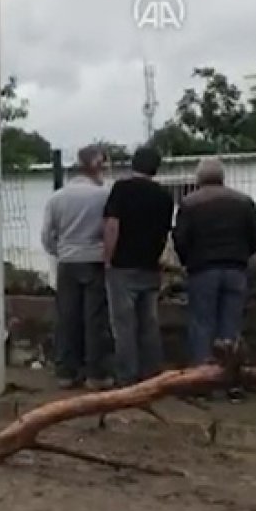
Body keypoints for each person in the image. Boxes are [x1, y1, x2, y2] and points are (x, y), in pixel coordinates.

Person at [172, 157, 256, 401]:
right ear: (222, 177)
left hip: (202, 270)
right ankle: (232, 383)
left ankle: (201, 383)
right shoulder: (242, 201)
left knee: (202, 325)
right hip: (235, 269)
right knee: (231, 326)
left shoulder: (190, 203)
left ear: (199, 178)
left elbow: (180, 238)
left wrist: (187, 261)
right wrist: (243, 253)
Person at [41, 145, 113, 390]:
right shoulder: (104, 196)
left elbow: (47, 235)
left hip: (68, 261)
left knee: (67, 317)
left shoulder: (57, 198)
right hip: (95, 260)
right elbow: (110, 230)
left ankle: (66, 371)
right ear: (95, 166)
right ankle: (95, 374)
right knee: (95, 319)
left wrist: (59, 251)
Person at [102, 145, 174, 387]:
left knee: (124, 325)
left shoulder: (122, 189)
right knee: (149, 323)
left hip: (123, 266)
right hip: (150, 265)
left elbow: (112, 225)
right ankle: (153, 373)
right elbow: (165, 232)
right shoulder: (165, 196)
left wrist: (108, 258)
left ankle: (127, 376)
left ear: (133, 164)